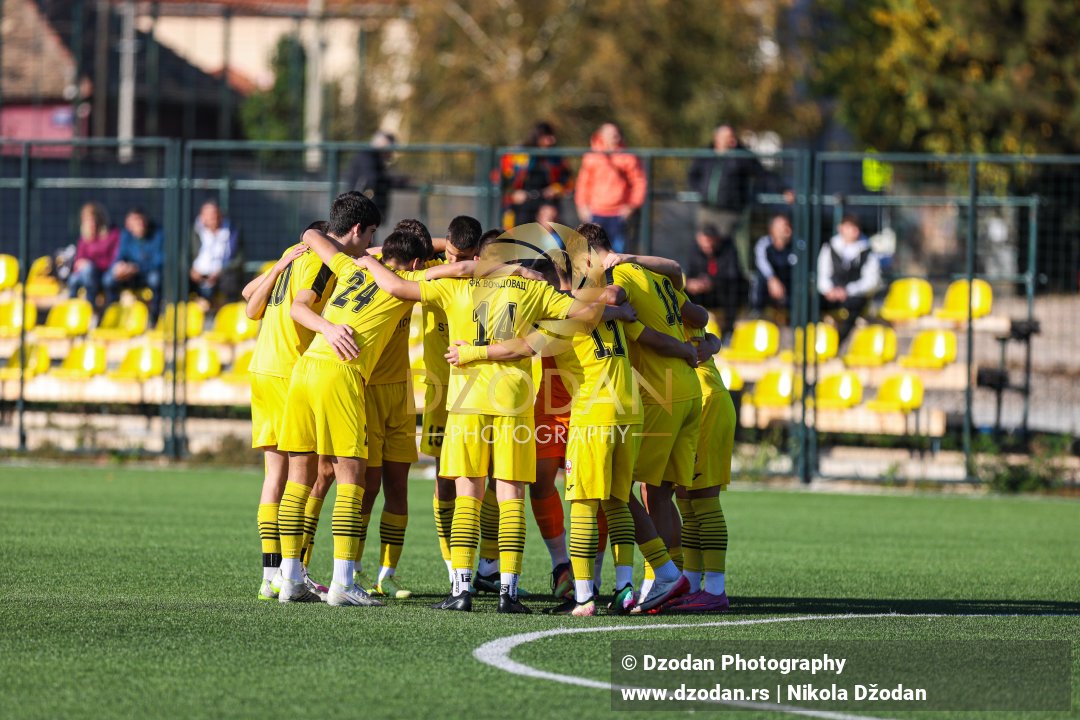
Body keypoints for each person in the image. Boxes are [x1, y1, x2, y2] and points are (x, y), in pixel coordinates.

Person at [356, 223, 611, 614]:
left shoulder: (457, 287)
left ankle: (461, 590)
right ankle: (509, 593)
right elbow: (589, 312)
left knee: (467, 497)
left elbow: (396, 286)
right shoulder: (533, 289)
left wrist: (363, 260)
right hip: (514, 403)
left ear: (479, 259)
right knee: (511, 497)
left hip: (466, 402)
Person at [241, 220, 340, 603]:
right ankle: (292, 572)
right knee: (304, 474)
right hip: (289, 371)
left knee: (274, 476)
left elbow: (249, 299)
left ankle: (271, 577)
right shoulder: (320, 264)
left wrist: (279, 266)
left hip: (261, 370)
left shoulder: (289, 257)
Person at [687, 124, 792, 272]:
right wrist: (702, 191)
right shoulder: (706, 155)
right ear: (717, 138)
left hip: (730, 213)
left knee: (727, 249)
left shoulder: (740, 156)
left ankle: (730, 279)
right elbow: (692, 175)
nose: (732, 141)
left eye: (733, 137)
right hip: (707, 209)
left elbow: (762, 174)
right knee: (703, 246)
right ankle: (701, 278)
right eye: (728, 137)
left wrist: (783, 189)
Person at [574, 122, 647, 254]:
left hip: (618, 213)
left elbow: (639, 182)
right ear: (601, 135)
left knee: (617, 252)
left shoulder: (627, 157)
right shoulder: (592, 156)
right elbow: (583, 183)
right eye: (609, 133)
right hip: (595, 212)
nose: (614, 136)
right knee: (593, 252)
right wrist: (582, 206)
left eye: (616, 133)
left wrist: (632, 205)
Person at [817, 214, 881, 343]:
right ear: (840, 228)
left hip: (854, 296)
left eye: (856, 228)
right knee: (813, 304)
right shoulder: (830, 247)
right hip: (832, 295)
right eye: (849, 227)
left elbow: (871, 280)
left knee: (854, 310)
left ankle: (839, 343)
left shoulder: (866, 250)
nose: (854, 231)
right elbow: (823, 274)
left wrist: (848, 290)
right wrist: (830, 290)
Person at [499, 121, 573, 227]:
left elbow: (567, 180)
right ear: (538, 137)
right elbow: (501, 180)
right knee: (519, 231)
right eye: (548, 136)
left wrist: (555, 189)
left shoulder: (556, 157)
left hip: (547, 202)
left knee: (550, 225)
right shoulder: (518, 154)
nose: (552, 140)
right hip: (521, 204)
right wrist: (513, 194)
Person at [684, 224, 748, 341]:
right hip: (701, 294)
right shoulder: (694, 250)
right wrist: (691, 283)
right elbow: (689, 273)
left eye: (710, 242)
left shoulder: (728, 249)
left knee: (733, 289)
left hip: (722, 294)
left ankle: (728, 331)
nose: (707, 247)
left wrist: (711, 282)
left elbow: (732, 275)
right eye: (704, 243)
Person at [104, 208, 165, 321]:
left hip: (146, 273)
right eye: (135, 221)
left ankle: (154, 316)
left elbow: (159, 261)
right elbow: (119, 256)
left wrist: (137, 268)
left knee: (155, 279)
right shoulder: (126, 236)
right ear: (129, 225)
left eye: (140, 220)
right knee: (109, 278)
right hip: (130, 275)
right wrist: (119, 267)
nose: (139, 224)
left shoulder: (158, 235)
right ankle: (113, 313)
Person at [190, 200, 242, 306]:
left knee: (230, 283)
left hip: (222, 274)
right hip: (199, 274)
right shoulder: (194, 232)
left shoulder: (233, 232)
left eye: (214, 213)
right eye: (208, 214)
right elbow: (186, 255)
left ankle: (224, 310)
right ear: (202, 216)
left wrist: (220, 272)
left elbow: (239, 260)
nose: (212, 217)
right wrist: (192, 270)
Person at [68, 202, 120, 307]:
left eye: (92, 219)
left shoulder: (112, 235)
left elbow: (114, 260)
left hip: (104, 274)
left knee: (89, 269)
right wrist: (81, 264)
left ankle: (91, 306)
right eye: (86, 220)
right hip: (88, 275)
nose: (90, 223)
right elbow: (78, 260)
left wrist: (91, 264)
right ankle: (72, 307)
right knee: (73, 279)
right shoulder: (84, 239)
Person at [750, 213, 797, 317]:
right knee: (759, 278)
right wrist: (772, 279)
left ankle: (795, 314)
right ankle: (757, 312)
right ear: (773, 230)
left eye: (789, 225)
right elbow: (762, 263)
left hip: (787, 287)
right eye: (784, 226)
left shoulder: (796, 246)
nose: (788, 229)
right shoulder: (764, 244)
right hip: (770, 286)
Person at [344, 131, 397, 221]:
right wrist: (395, 182)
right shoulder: (367, 156)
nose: (390, 152)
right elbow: (372, 179)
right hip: (361, 206)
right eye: (389, 148)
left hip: (365, 206)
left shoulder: (375, 157)